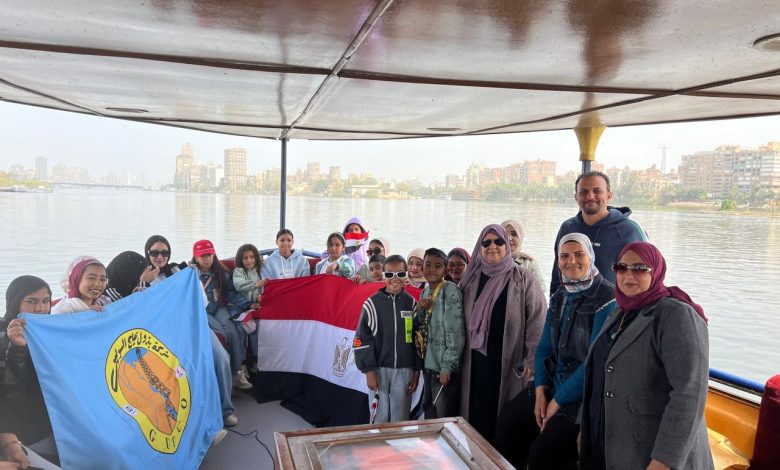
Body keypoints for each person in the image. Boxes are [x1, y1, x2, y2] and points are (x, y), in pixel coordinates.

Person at [580, 242, 713, 470]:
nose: (629, 275)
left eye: (640, 268)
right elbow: (598, 374)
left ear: (656, 271)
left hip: (649, 453)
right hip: (608, 444)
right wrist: (586, 429)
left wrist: (664, 461)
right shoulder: (619, 312)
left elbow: (690, 394)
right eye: (621, 267)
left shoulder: (676, 315)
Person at [495, 233, 614, 469]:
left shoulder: (607, 299)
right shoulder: (561, 295)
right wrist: (540, 390)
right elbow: (544, 348)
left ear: (591, 257)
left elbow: (593, 363)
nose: (572, 261)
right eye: (564, 256)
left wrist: (557, 401)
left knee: (542, 453)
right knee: (507, 425)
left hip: (582, 396)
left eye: (579, 255)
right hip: (552, 384)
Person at [458, 224, 546, 446]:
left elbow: (538, 320)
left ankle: (500, 458)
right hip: (475, 362)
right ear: (479, 246)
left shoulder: (523, 278)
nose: (492, 246)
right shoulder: (470, 279)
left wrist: (531, 359)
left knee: (505, 418)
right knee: (476, 412)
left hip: (510, 360)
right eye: (486, 242)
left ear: (507, 246)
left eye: (498, 241)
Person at [550, 171, 647, 294]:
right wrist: (554, 299)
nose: (590, 196)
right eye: (584, 192)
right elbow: (557, 272)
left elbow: (645, 275)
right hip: (571, 302)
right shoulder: (568, 227)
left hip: (614, 303)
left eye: (597, 191)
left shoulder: (630, 230)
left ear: (609, 195)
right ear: (576, 197)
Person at [353, 254, 421, 423]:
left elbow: (418, 340)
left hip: (404, 371)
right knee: (379, 418)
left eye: (400, 274)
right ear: (383, 275)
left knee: (400, 419)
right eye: (390, 274)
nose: (395, 279)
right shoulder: (371, 304)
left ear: (406, 275)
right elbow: (361, 339)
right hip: (378, 370)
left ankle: (398, 442)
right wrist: (369, 371)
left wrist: (416, 371)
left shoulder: (412, 304)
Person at [1, 276, 57, 466]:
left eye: (46, 301)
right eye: (31, 301)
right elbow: (8, 390)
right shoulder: (4, 337)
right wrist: (16, 348)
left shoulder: (51, 331)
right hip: (24, 433)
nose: (40, 308)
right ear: (15, 302)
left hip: (55, 422)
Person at [191, 239, 253, 390]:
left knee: (232, 330)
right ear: (196, 257)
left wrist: (248, 304)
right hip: (201, 310)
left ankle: (237, 372)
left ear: (214, 255)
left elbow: (231, 294)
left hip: (218, 307)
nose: (206, 259)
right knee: (220, 332)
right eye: (202, 256)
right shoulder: (191, 274)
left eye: (209, 255)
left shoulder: (223, 273)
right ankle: (222, 374)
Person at [414, 248, 464, 418]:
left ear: (445, 271)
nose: (432, 270)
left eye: (437, 266)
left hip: (442, 367)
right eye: (428, 265)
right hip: (428, 366)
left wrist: (448, 366)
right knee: (429, 411)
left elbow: (455, 331)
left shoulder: (450, 291)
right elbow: (422, 325)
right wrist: (420, 310)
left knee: (443, 416)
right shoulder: (425, 292)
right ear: (422, 267)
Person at [501, 219, 545, 291]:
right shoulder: (492, 261)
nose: (509, 238)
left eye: (514, 234)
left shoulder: (529, 264)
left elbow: (540, 290)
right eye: (505, 235)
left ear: (520, 237)